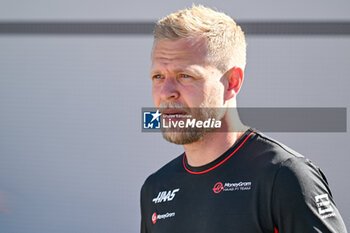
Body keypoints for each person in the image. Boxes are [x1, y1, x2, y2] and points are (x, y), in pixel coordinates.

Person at [140, 5, 347, 233]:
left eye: (185, 75)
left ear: (232, 82)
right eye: (158, 76)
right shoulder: (155, 188)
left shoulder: (284, 177)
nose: (166, 91)